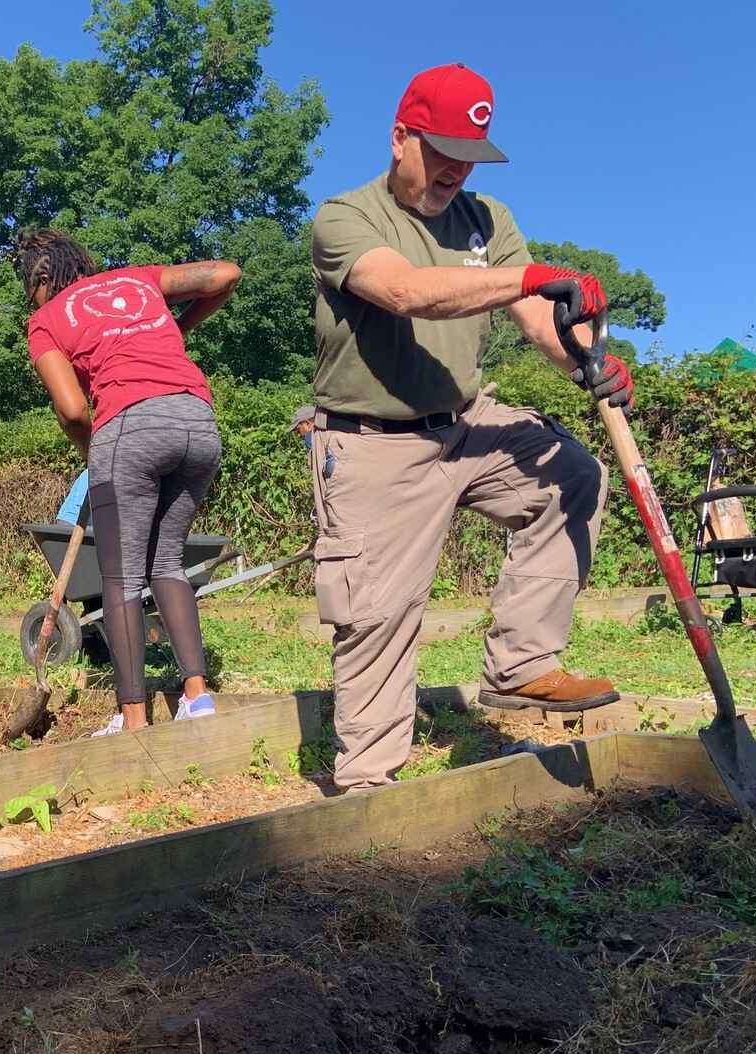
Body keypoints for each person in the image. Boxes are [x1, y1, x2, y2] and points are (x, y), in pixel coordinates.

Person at [309, 62, 630, 790]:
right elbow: (405, 291)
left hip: (467, 422)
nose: (455, 169)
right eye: (441, 150)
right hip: (373, 440)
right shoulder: (345, 218)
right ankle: (367, 790)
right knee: (378, 616)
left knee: (572, 475)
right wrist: (526, 277)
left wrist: (588, 362)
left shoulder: (486, 219)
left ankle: (522, 664)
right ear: (400, 138)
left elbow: (537, 315)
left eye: (469, 155)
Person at [15, 228, 242, 735]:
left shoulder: (46, 320)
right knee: (167, 562)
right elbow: (226, 274)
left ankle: (133, 718)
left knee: (120, 579)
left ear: (42, 279)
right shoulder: (136, 280)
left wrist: (93, 452)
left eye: (30, 289)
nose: (32, 300)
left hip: (129, 428)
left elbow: (73, 409)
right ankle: (197, 698)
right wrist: (178, 329)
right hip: (197, 422)